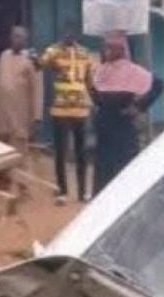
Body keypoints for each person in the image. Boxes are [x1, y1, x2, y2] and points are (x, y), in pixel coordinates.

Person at [89, 33, 163, 194]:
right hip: (104, 129)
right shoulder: (101, 71)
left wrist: (139, 107)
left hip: (123, 126)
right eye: (105, 47)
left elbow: (158, 85)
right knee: (103, 171)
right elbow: (93, 90)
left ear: (121, 50)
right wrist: (97, 104)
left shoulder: (133, 71)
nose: (106, 51)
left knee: (124, 169)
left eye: (110, 48)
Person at [38, 23, 94, 202]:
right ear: (62, 33)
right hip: (60, 109)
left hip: (81, 110)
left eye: (72, 32)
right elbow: (41, 63)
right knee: (61, 152)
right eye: (66, 32)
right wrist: (35, 59)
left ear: (76, 34)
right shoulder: (54, 50)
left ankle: (83, 192)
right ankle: (62, 191)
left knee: (81, 153)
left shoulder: (85, 53)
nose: (69, 35)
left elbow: (89, 81)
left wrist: (94, 101)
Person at [0, 26, 39, 153]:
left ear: (26, 40)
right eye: (15, 36)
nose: (17, 40)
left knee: (17, 156)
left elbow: (35, 91)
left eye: (20, 37)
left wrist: (35, 117)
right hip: (1, 117)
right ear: (10, 38)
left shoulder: (29, 61)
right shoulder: (3, 56)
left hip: (19, 119)